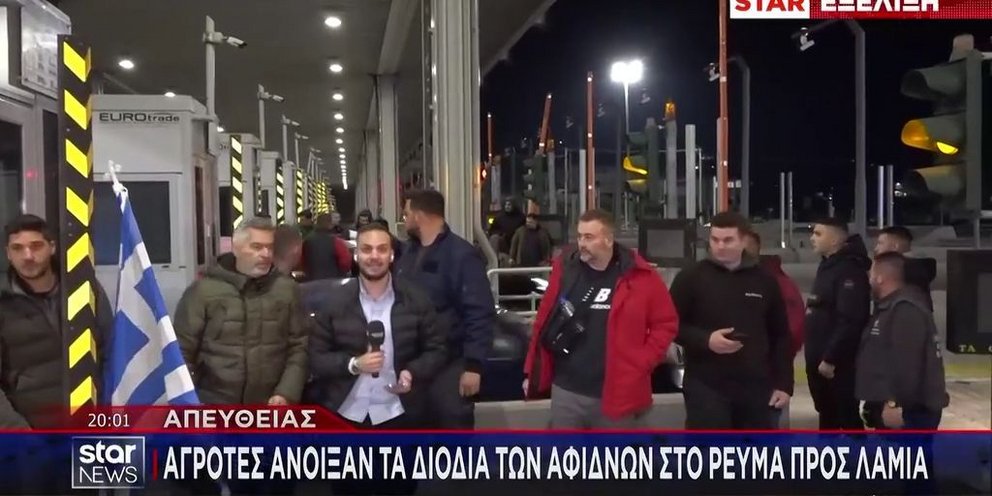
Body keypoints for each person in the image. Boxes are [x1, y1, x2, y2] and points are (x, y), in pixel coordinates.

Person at [523, 209, 678, 428]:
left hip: (617, 394)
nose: (582, 244)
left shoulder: (640, 276)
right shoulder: (565, 269)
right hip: (567, 391)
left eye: (589, 237)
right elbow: (543, 321)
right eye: (579, 236)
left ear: (608, 239)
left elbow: (666, 324)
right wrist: (531, 371)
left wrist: (643, 362)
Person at [307, 223, 447, 428]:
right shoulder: (334, 303)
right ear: (356, 255)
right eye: (367, 249)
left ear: (391, 255)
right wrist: (353, 364)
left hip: (400, 413)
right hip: (345, 412)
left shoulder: (416, 299)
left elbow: (437, 349)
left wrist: (412, 372)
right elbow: (316, 357)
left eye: (382, 249)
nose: (374, 256)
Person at [669, 212, 793, 429]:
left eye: (728, 240)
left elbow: (780, 334)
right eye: (715, 240)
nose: (720, 246)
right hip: (705, 384)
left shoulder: (764, 280)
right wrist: (706, 340)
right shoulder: (690, 278)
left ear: (744, 241)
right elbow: (670, 326)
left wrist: (784, 383)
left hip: (755, 386)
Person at [174, 217, 308, 405]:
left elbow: (299, 346)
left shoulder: (287, 290)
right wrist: (190, 400)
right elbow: (181, 351)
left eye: (270, 247)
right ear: (236, 248)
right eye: (257, 247)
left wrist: (286, 393)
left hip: (270, 405)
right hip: (214, 404)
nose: (266, 254)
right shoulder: (202, 292)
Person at [0, 215, 113, 428]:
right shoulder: (3, 303)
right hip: (32, 432)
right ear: (8, 253)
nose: (27, 256)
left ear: (51, 247)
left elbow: (111, 351)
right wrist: (21, 434)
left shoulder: (84, 289)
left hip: (91, 424)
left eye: (36, 246)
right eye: (17, 248)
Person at [394, 189, 495, 429]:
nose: (404, 220)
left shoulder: (462, 256)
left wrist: (473, 366)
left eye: (406, 214)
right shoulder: (407, 254)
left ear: (418, 215)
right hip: (413, 364)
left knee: (451, 430)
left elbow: (479, 312)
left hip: (451, 364)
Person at [856, 252, 948, 430]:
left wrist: (894, 404)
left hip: (911, 410)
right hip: (899, 406)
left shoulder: (905, 309)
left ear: (880, 278)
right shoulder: (890, 307)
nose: (869, 279)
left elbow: (907, 363)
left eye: (872, 274)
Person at [805, 217, 872, 430]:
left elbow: (850, 318)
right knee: (828, 415)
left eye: (818, 234)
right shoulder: (828, 266)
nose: (812, 238)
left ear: (834, 240)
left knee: (846, 416)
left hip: (836, 364)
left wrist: (831, 358)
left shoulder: (849, 270)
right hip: (820, 358)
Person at [743, 230, 805, 427]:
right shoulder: (719, 280)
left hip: (767, 377)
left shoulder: (777, 284)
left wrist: (774, 364)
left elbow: (792, 332)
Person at [873, 225, 936, 311]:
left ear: (895, 247)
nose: (876, 248)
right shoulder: (916, 269)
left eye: (880, 243)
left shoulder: (907, 271)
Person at [301, 212, 352, 281]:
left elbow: (302, 261)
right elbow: (345, 263)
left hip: (311, 280)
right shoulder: (336, 241)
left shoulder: (307, 241)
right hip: (334, 280)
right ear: (331, 224)